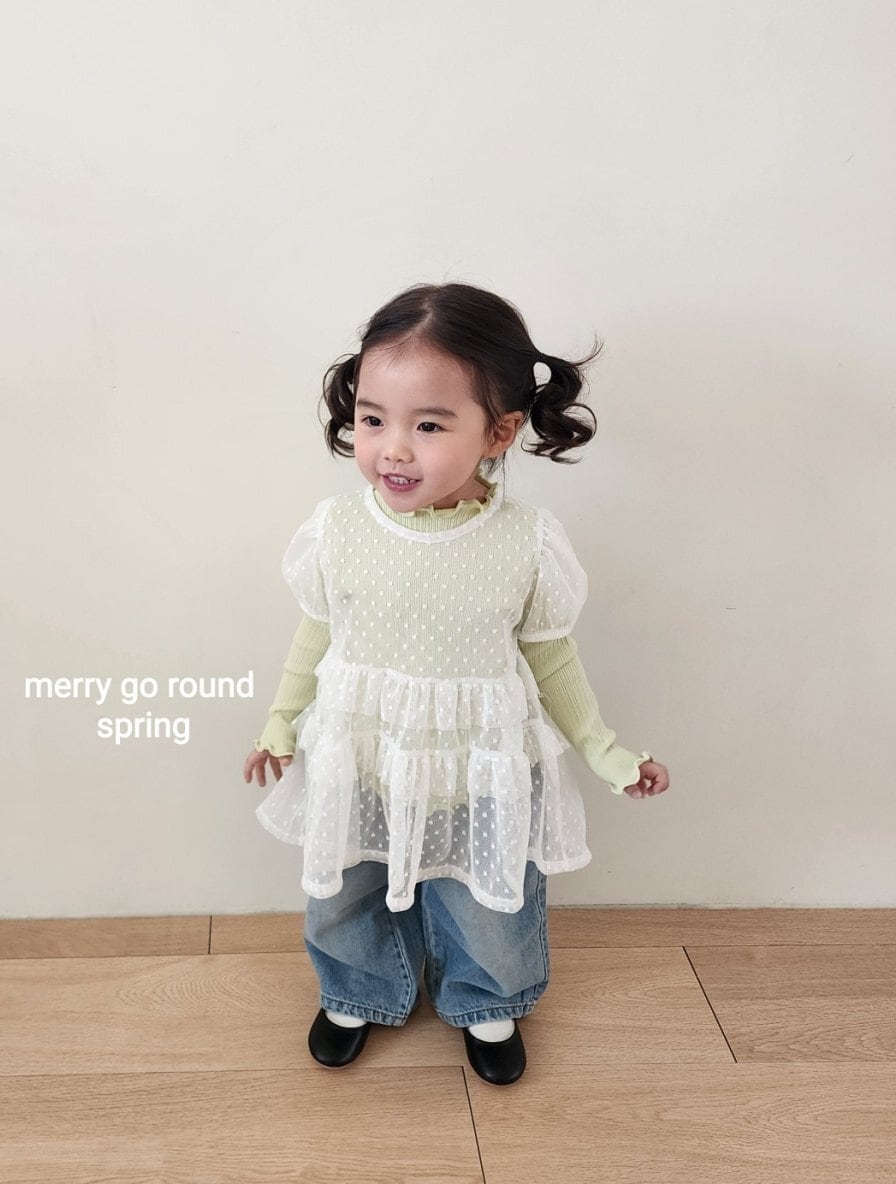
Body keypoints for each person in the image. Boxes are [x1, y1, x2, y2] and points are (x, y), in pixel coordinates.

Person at [242, 282, 671, 1085]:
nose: (393, 450)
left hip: (478, 762)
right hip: (363, 753)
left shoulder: (525, 543)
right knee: (346, 889)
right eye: (374, 419)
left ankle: (486, 998)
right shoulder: (338, 529)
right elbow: (317, 633)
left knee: (486, 899)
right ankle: (358, 987)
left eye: (429, 426)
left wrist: (605, 750)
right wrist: (280, 722)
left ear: (499, 431)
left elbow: (551, 657)